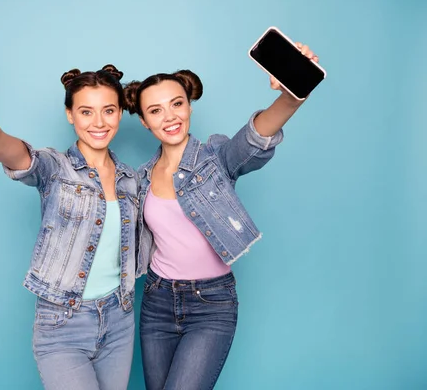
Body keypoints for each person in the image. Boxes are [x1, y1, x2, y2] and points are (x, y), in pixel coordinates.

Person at [124, 43, 320, 389]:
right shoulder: (140, 178)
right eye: (155, 111)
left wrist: (292, 94)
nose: (169, 117)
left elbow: (255, 138)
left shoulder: (215, 157)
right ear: (143, 121)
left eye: (177, 104)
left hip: (211, 305)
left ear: (189, 107)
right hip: (156, 302)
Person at [0, 64, 139, 390]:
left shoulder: (131, 180)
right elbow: (22, 159)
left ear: (119, 114)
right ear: (70, 114)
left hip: (119, 320)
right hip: (62, 323)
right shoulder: (56, 167)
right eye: (86, 112)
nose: (99, 123)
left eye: (108, 111)